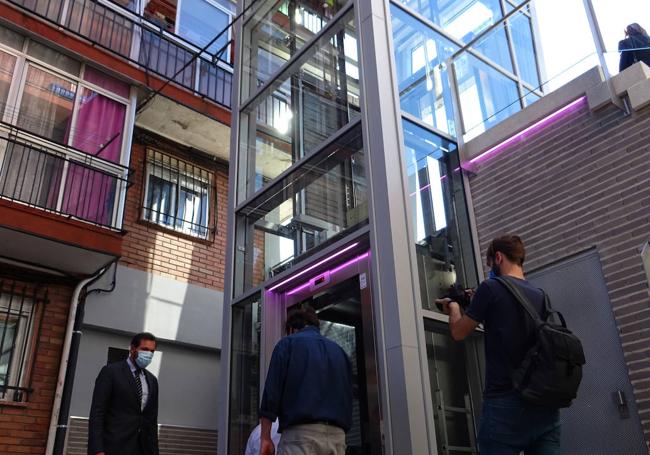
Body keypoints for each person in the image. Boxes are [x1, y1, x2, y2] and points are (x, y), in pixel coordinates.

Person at [436, 235, 561, 455]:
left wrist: (454, 308)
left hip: (505, 404)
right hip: (545, 406)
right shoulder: (541, 296)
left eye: (490, 264)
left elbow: (458, 332)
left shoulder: (491, 288)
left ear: (499, 257)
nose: (490, 270)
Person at [259, 307, 352, 455]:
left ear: (291, 329)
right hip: (337, 437)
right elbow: (348, 395)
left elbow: (272, 393)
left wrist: (265, 437)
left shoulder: (287, 344)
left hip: (300, 436)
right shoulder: (340, 352)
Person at [88, 332, 159, 455]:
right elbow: (97, 413)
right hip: (113, 447)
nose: (149, 354)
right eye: (145, 349)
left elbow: (151, 421)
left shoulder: (152, 380)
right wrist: (97, 449)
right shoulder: (111, 372)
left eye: (152, 351)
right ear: (132, 349)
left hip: (142, 449)